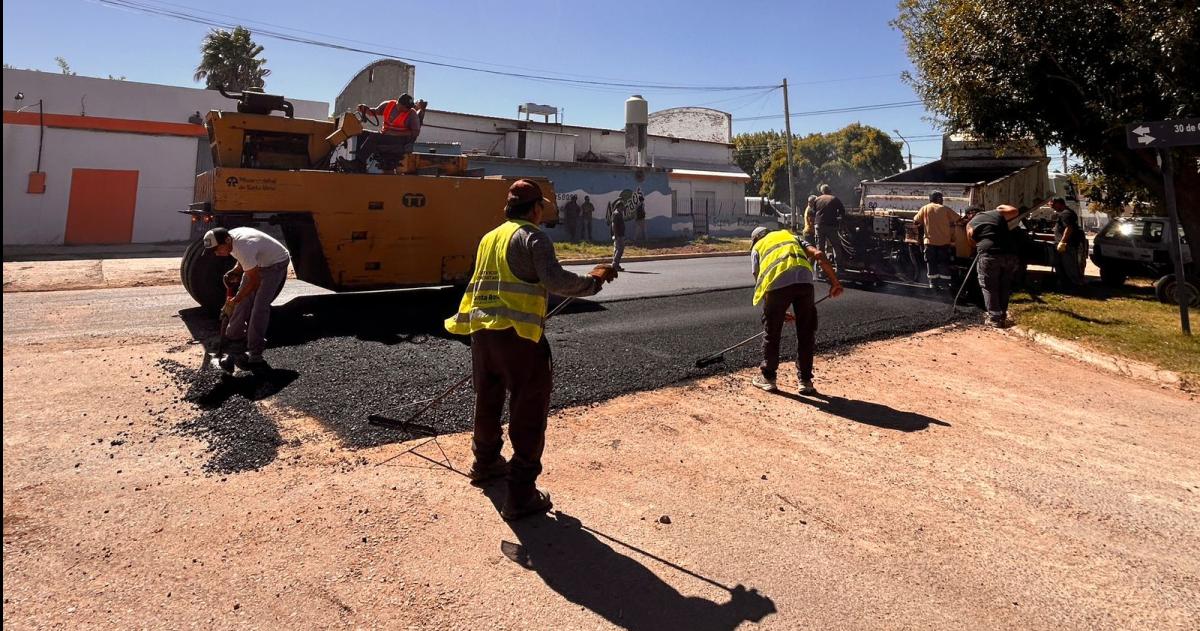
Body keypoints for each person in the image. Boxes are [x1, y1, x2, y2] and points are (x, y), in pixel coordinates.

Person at [444, 179, 618, 521]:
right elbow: (554, 281)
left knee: (489, 399)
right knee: (528, 411)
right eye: (542, 208)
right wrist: (593, 281)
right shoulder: (533, 236)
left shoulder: (489, 237)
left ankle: (485, 462)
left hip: (482, 334)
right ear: (536, 208)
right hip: (519, 339)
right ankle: (521, 494)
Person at [749, 226, 844, 395]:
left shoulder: (757, 247)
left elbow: (760, 281)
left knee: (772, 331)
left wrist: (776, 311)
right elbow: (819, 255)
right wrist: (835, 283)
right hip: (805, 281)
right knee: (806, 332)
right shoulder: (791, 237)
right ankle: (805, 381)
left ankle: (769, 378)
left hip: (777, 283)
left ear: (756, 239)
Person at [204, 226, 291, 370]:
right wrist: (236, 270)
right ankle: (234, 342)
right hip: (258, 263)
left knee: (259, 308)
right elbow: (245, 258)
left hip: (275, 264)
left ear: (227, 240)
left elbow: (254, 281)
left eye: (217, 249)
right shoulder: (230, 241)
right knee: (241, 305)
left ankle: (255, 354)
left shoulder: (244, 246)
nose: (217, 254)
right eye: (213, 251)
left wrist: (235, 300)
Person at [967, 204, 1023, 327]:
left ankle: (995, 317)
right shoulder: (997, 213)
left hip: (989, 255)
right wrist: (1001, 206)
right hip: (1010, 254)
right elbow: (1015, 211)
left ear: (969, 214)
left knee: (989, 285)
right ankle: (1002, 314)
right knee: (1005, 284)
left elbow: (971, 241)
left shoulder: (970, 223)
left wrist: (980, 243)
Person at [350, 93, 427, 170]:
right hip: (386, 135)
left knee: (374, 137)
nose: (408, 109)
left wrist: (395, 133)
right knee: (361, 133)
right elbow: (375, 111)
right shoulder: (388, 105)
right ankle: (360, 164)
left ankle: (358, 163)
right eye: (406, 107)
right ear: (399, 104)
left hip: (400, 140)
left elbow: (415, 132)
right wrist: (365, 110)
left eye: (409, 107)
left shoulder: (412, 114)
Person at [912, 190, 962, 290]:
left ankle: (933, 284)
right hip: (944, 243)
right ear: (938, 198)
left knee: (931, 262)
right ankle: (944, 284)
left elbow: (916, 221)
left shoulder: (925, 208)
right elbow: (959, 220)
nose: (942, 200)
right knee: (943, 262)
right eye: (941, 198)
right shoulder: (945, 209)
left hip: (929, 242)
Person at [1051, 197, 1087, 289]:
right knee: (1061, 266)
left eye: (1053, 204)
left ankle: (1075, 285)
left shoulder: (1066, 214)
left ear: (1059, 203)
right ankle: (1066, 285)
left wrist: (1062, 242)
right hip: (1065, 245)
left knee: (1069, 266)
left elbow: (1069, 228)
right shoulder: (1067, 213)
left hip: (1067, 246)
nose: (1052, 206)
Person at [812, 184, 847, 273]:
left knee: (820, 248)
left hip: (819, 226)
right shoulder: (834, 199)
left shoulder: (817, 199)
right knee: (836, 246)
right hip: (831, 226)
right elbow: (842, 211)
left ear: (821, 191)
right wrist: (840, 220)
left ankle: (821, 268)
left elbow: (814, 212)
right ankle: (839, 268)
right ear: (830, 190)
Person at [610, 203, 627, 271]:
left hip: (620, 234)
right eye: (622, 206)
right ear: (619, 206)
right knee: (620, 249)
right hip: (618, 235)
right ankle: (615, 264)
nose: (623, 208)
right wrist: (616, 235)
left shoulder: (619, 213)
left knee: (617, 249)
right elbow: (613, 225)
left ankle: (616, 264)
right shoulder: (616, 214)